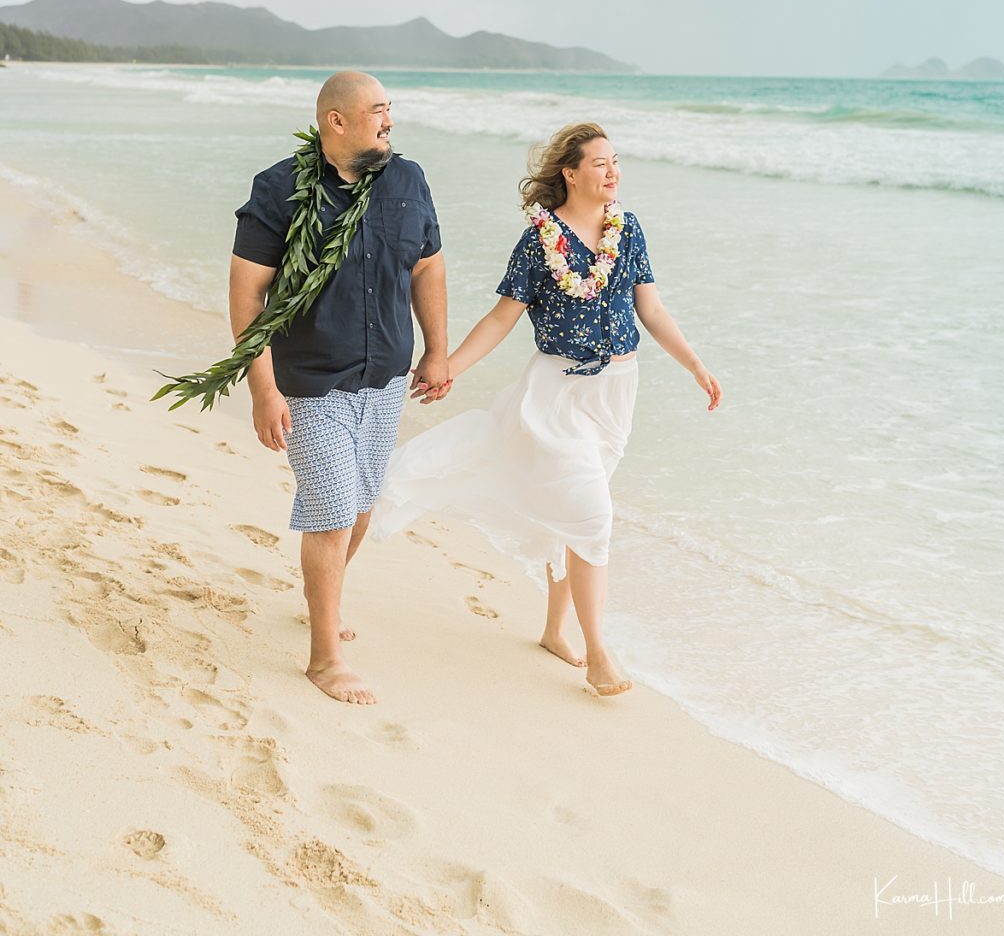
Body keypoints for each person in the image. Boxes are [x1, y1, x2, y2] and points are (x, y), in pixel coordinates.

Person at [372, 122, 722, 698]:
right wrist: (449, 365)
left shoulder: (627, 230)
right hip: (554, 395)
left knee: (570, 514)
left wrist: (696, 366)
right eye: (601, 163)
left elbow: (652, 311)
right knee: (592, 517)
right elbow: (501, 319)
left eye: (616, 162)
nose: (613, 172)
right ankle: (600, 655)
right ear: (571, 172)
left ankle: (555, 630)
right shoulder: (539, 240)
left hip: (615, 392)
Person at [229, 71, 449, 705]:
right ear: (336, 121)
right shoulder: (279, 190)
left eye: (391, 110)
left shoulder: (408, 181)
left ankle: (319, 599)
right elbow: (248, 298)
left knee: (358, 506)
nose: (389, 121)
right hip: (308, 381)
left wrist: (436, 349)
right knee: (330, 507)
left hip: (384, 378)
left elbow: (428, 264)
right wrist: (261, 388)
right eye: (378, 111)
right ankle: (325, 657)